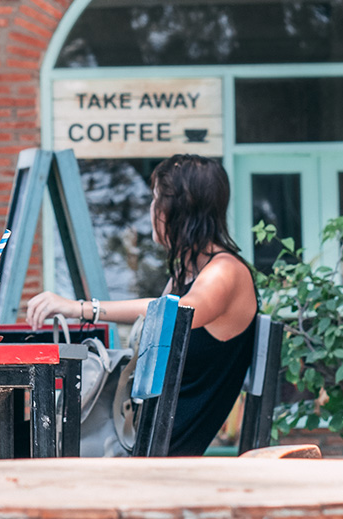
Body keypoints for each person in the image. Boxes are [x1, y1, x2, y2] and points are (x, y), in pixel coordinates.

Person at [26, 151, 257, 456]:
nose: (150, 209)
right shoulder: (187, 274)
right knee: (5, 438)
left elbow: (176, 314)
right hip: (139, 437)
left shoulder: (225, 272)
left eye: (155, 199)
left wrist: (81, 308)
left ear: (177, 209)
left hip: (155, 450)